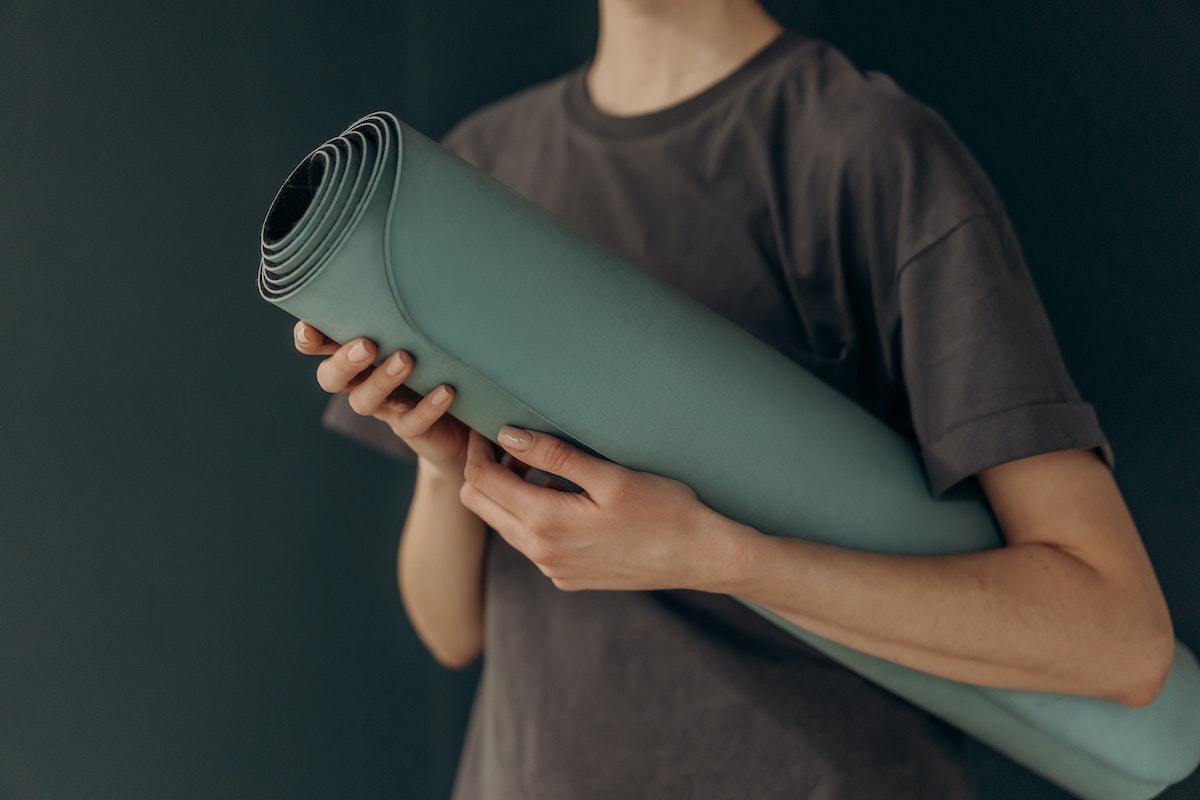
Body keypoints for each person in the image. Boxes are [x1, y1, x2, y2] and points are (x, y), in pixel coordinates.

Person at [294, 1, 1174, 796]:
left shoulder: (869, 152)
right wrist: (445, 461)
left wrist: (721, 557)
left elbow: (1118, 639)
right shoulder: (476, 167)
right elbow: (455, 633)